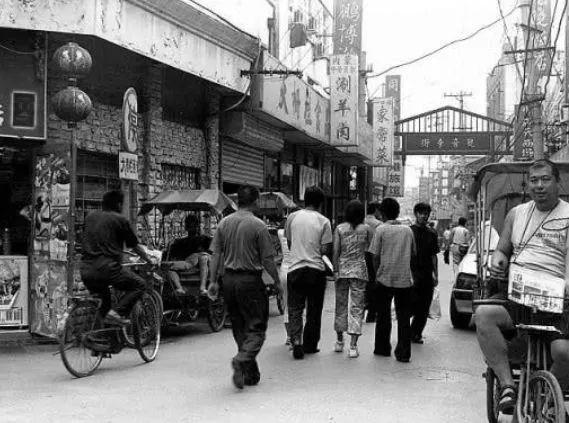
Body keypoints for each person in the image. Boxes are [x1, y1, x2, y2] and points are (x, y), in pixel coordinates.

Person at [475, 159, 569, 415]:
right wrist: (498, 260)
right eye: (534, 181)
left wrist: (565, 287)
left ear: (558, 182)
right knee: (483, 316)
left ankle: (550, 401)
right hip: (518, 295)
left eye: (545, 180)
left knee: (564, 352)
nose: (539, 186)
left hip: (557, 301)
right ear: (528, 185)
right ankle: (507, 385)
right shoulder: (517, 214)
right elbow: (502, 249)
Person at [208, 185, 281, 389]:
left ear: (237, 201)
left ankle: (250, 373)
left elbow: (216, 255)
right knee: (257, 327)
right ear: (256, 201)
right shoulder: (258, 226)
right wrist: (277, 281)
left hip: (228, 281)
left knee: (239, 325)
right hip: (250, 281)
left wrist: (213, 281)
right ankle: (242, 360)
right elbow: (267, 259)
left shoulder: (224, 223)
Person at [80, 190, 154, 326]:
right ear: (119, 205)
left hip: (85, 270)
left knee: (105, 303)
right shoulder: (120, 220)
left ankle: (99, 339)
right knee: (140, 285)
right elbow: (134, 246)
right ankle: (118, 313)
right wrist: (149, 260)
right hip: (108, 269)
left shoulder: (90, 217)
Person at [285, 186, 333, 359]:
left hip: (295, 268)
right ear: (320, 203)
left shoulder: (292, 217)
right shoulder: (324, 221)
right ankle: (310, 345)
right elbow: (325, 249)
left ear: (304, 199)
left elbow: (290, 243)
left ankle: (296, 340)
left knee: (295, 308)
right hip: (316, 270)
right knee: (314, 309)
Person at [368, 198, 416, 363]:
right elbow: (413, 255)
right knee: (403, 317)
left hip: (384, 278)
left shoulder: (381, 230)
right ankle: (404, 352)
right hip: (404, 279)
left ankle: (382, 348)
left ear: (382, 213)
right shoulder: (408, 231)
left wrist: (377, 274)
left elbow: (374, 256)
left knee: (383, 314)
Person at [332, 200, 374, 358]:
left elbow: (336, 251)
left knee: (340, 305)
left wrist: (335, 270)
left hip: (342, 271)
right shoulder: (367, 229)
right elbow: (371, 249)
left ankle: (339, 341)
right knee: (357, 308)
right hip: (359, 271)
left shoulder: (340, 229)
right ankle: (353, 346)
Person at [410, 202, 439, 344]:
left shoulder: (432, 233)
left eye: (426, 213)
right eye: (421, 213)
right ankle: (410, 331)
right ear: (416, 214)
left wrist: (436, 274)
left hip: (427, 274)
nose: (424, 216)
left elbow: (434, 256)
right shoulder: (409, 231)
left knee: (424, 305)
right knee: (412, 304)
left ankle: (416, 333)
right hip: (412, 273)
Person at [277, 225, 292, 346]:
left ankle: (289, 336)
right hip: (298, 269)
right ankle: (297, 335)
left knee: (287, 304)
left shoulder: (280, 232)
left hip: (284, 270)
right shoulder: (301, 232)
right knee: (299, 306)